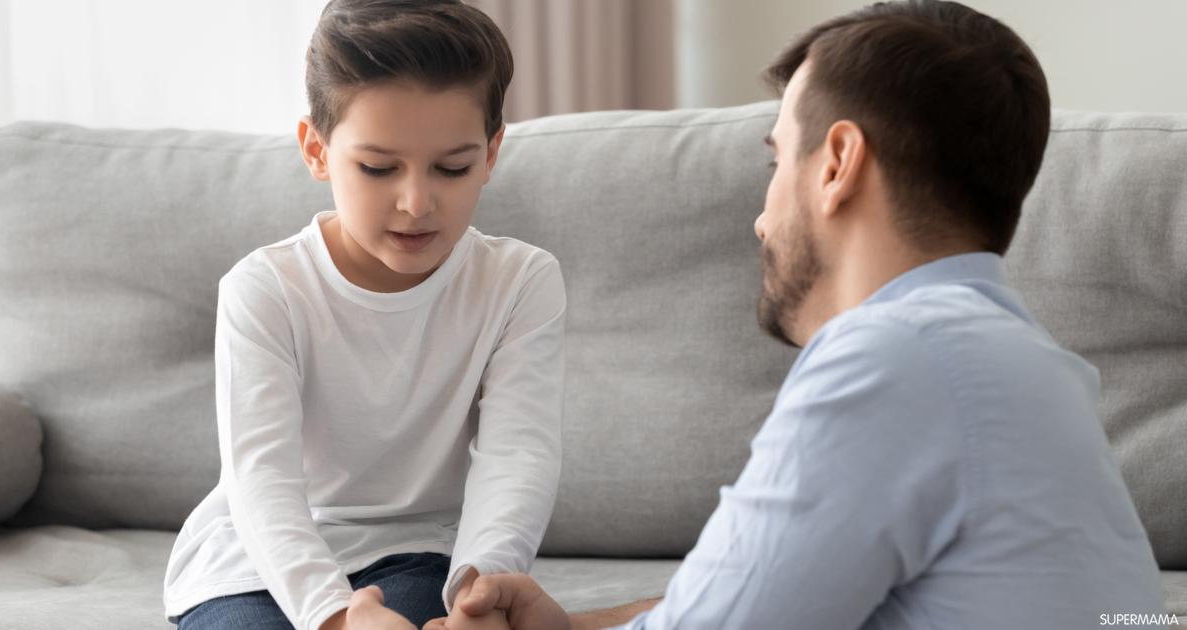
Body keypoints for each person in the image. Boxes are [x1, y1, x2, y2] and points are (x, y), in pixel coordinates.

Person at [430, 1, 1168, 628]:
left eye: (777, 160)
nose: (760, 220)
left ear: (838, 163)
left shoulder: (894, 357)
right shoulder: (1031, 365)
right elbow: (763, 602)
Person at [162, 2, 565, 629]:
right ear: (316, 150)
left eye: (452, 168)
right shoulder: (264, 290)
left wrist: (481, 593)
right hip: (255, 564)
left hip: (416, 554)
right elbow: (261, 480)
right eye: (378, 168)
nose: (416, 202)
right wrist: (333, 617)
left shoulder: (520, 282)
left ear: (491, 154)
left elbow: (518, 458)